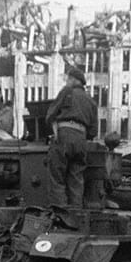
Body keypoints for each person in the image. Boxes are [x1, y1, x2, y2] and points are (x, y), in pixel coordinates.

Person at [46, 67, 98, 206]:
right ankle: (76, 215)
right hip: (81, 140)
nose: (66, 82)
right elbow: (93, 131)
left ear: (74, 80)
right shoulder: (91, 101)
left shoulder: (66, 92)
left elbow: (50, 115)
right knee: (76, 179)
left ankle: (60, 215)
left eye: (68, 79)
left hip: (64, 135)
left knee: (57, 177)